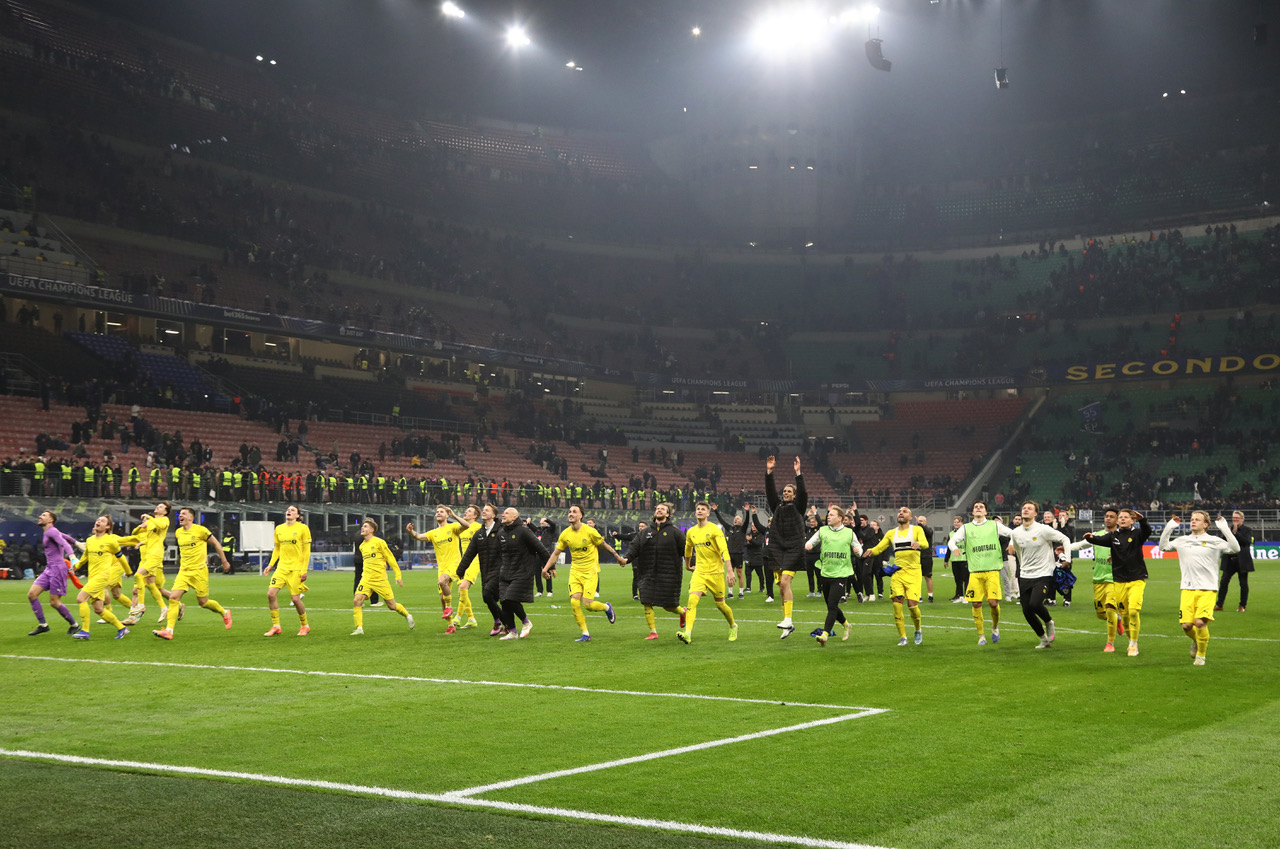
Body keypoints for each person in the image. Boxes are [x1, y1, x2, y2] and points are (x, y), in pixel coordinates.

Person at [1159, 511, 1239, 665]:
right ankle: (1197, 640)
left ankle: (1201, 655)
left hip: (1208, 588)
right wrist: (1170, 526)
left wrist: (1224, 528)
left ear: (1206, 524)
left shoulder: (1214, 541)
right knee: (1187, 626)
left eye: (1197, 519)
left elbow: (1235, 548)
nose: (1193, 521)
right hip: (1187, 588)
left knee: (1200, 623)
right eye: (1192, 519)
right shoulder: (1182, 540)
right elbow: (1163, 546)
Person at [543, 505, 621, 642]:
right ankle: (585, 634)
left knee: (588, 605)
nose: (571, 514)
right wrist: (546, 568)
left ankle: (606, 607)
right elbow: (556, 553)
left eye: (574, 512)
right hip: (575, 571)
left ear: (581, 516)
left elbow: (604, 545)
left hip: (590, 571)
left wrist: (617, 556)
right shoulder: (565, 534)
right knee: (574, 602)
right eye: (569, 512)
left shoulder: (590, 531)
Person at [153, 508, 232, 640]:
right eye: (180, 514)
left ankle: (224, 612)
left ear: (191, 517)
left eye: (184, 514)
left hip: (199, 572)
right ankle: (169, 631)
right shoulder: (178, 532)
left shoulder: (201, 530)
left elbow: (217, 544)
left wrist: (224, 562)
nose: (180, 516)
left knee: (203, 602)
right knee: (173, 598)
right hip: (184, 572)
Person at [1082, 508, 1152, 657]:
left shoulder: (1137, 535)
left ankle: (1133, 644)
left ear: (1132, 520)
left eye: (1126, 517)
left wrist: (1142, 520)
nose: (1123, 519)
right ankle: (1130, 639)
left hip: (1137, 579)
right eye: (1121, 517)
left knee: (1133, 611)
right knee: (1125, 615)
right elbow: (1098, 540)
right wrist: (1090, 538)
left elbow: (1147, 531)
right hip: (1119, 581)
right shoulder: (1113, 536)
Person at [1008, 500, 1074, 649]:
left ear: (1035, 513)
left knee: (1035, 604)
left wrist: (1067, 559)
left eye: (1029, 508)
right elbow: (1018, 551)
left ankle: (1049, 621)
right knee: (1026, 611)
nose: (1025, 510)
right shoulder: (1015, 532)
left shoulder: (1043, 529)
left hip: (1043, 574)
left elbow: (1065, 539)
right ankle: (1043, 639)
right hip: (1025, 575)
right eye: (1024, 508)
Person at [948, 501, 1011, 646]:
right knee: (976, 603)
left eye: (981, 507)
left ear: (986, 513)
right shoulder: (966, 528)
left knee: (993, 603)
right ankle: (981, 635)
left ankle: (995, 627)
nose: (978, 508)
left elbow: (1012, 533)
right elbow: (952, 541)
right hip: (975, 572)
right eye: (975, 506)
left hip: (992, 570)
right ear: (972, 512)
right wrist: (954, 548)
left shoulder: (994, 525)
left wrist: (1012, 543)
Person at [865, 506, 930, 646]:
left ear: (910, 517)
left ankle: (918, 630)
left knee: (912, 606)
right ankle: (903, 637)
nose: (901, 513)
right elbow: (880, 547)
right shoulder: (891, 533)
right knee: (897, 605)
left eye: (905, 511)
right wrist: (871, 551)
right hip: (898, 572)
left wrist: (919, 543)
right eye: (899, 511)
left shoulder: (917, 530)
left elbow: (925, 544)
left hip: (913, 573)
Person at [620, 502, 687, 640]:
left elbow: (686, 551)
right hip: (647, 573)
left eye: (663, 509)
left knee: (669, 606)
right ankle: (653, 632)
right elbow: (634, 547)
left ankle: (682, 612)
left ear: (668, 514)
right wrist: (626, 558)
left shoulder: (676, 532)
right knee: (646, 600)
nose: (659, 510)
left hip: (669, 574)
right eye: (657, 508)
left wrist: (692, 563)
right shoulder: (645, 532)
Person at [677, 501, 737, 644]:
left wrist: (730, 571)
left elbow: (724, 550)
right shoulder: (691, 531)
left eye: (703, 509)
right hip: (699, 572)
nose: (700, 511)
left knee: (720, 605)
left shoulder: (715, 530)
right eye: (698, 509)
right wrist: (687, 565)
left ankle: (733, 626)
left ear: (708, 513)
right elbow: (688, 549)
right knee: (692, 600)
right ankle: (688, 633)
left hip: (716, 573)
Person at [804, 504, 863, 646]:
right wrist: (809, 545)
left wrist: (857, 551)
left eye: (831, 514)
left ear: (840, 518)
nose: (828, 516)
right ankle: (846, 625)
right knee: (832, 606)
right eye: (828, 514)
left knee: (832, 605)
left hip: (841, 573)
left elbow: (859, 549)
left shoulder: (849, 533)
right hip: (825, 573)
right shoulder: (823, 531)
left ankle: (824, 635)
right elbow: (810, 541)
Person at [405, 505, 471, 629]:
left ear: (447, 515)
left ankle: (450, 607)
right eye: (437, 512)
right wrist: (411, 532)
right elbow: (418, 536)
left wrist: (454, 515)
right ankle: (451, 625)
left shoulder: (453, 527)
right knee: (442, 599)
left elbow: (466, 525)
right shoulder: (433, 533)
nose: (438, 513)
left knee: (442, 582)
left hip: (455, 564)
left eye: (441, 512)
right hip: (442, 568)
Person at [350, 518, 415, 635]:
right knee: (356, 600)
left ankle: (407, 615)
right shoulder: (362, 546)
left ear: (371, 530)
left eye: (365, 526)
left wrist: (398, 575)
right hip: (366, 579)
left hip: (380, 579)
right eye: (362, 526)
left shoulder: (379, 542)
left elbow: (390, 558)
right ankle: (359, 628)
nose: (362, 528)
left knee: (392, 605)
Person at [765, 456, 807, 637]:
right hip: (777, 548)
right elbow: (770, 493)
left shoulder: (798, 507)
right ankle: (787, 622)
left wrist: (798, 474)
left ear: (795, 495)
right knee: (781, 588)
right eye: (785, 491)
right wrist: (769, 472)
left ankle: (788, 620)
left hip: (794, 547)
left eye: (790, 491)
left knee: (785, 582)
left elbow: (804, 493)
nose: (786, 493)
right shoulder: (777, 507)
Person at [495, 508, 551, 641]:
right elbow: (498, 553)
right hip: (505, 572)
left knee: (510, 598)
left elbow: (540, 548)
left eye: (506, 513)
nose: (503, 515)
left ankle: (526, 622)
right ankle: (513, 632)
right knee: (504, 601)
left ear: (514, 517)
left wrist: (550, 566)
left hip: (522, 571)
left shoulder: (524, 531)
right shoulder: (501, 533)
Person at [1074, 508, 1123, 652]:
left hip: (1114, 579)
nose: (1108, 519)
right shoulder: (1097, 535)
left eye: (1112, 517)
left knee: (1109, 609)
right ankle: (1118, 619)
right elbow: (1080, 545)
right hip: (1098, 578)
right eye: (1106, 516)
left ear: (1117, 520)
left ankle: (1110, 643)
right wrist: (1063, 547)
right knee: (1101, 614)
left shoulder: (1122, 536)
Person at [26, 511, 82, 635]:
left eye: (43, 515)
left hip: (58, 570)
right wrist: (77, 543)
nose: (40, 516)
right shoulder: (50, 531)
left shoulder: (52, 531)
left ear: (50, 520)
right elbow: (65, 537)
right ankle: (43, 625)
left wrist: (72, 557)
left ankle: (74, 625)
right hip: (49, 568)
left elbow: (64, 543)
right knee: (32, 595)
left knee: (54, 602)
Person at [457, 504, 507, 635]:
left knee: (487, 594)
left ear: (493, 515)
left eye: (487, 510)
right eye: (483, 510)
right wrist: (460, 569)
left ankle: (505, 622)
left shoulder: (499, 530)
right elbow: (469, 552)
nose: (484, 511)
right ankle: (502, 622)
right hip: (485, 567)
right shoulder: (476, 532)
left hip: (497, 568)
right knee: (490, 598)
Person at [262, 505, 312, 636]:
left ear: (297, 515)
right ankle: (276, 626)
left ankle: (305, 625)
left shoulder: (303, 528)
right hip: (281, 568)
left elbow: (306, 551)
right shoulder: (279, 528)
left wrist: (304, 570)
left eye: (293, 510)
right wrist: (271, 565)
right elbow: (277, 548)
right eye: (288, 510)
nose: (289, 511)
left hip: (296, 569)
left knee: (295, 599)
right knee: (270, 594)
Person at [126, 502, 176, 625]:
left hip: (155, 556)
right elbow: (144, 536)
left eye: (161, 507)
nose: (157, 507)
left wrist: (150, 519)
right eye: (157, 506)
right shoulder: (151, 523)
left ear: (165, 512)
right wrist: (141, 542)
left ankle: (141, 606)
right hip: (147, 556)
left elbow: (160, 526)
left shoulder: (164, 520)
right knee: (146, 585)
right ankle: (163, 609)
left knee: (139, 577)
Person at [1215, 510, 1253, 613]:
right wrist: (1226, 531)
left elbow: (1247, 543)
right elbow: (1223, 541)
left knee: (1243, 584)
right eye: (1234, 518)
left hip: (1242, 561)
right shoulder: (1228, 529)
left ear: (1242, 519)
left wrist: (1236, 533)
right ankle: (1219, 604)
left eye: (1237, 518)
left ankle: (1242, 605)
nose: (1235, 520)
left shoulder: (1247, 530)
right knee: (1223, 582)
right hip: (1229, 560)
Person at [712, 503, 748, 599]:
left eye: (738, 518)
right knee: (729, 573)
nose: (736, 519)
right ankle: (730, 593)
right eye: (735, 518)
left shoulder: (742, 529)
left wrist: (747, 512)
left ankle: (741, 593)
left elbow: (747, 521)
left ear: (741, 521)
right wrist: (716, 511)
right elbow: (722, 521)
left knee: (739, 574)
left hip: (738, 554)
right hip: (729, 555)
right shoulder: (730, 528)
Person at [945, 515, 968, 603]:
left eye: (958, 522)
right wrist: (946, 560)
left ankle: (967, 596)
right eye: (955, 522)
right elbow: (948, 547)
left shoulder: (966, 533)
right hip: (954, 559)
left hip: (964, 558)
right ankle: (960, 596)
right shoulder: (951, 533)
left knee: (966, 579)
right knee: (957, 579)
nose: (956, 523)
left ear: (962, 523)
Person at [917, 515, 936, 602]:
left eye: (922, 521)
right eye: (919, 521)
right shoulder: (915, 532)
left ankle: (930, 596)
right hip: (917, 557)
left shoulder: (929, 530)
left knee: (928, 576)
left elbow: (928, 533)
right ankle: (919, 596)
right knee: (917, 577)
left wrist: (920, 525)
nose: (920, 522)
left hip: (926, 557)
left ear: (925, 522)